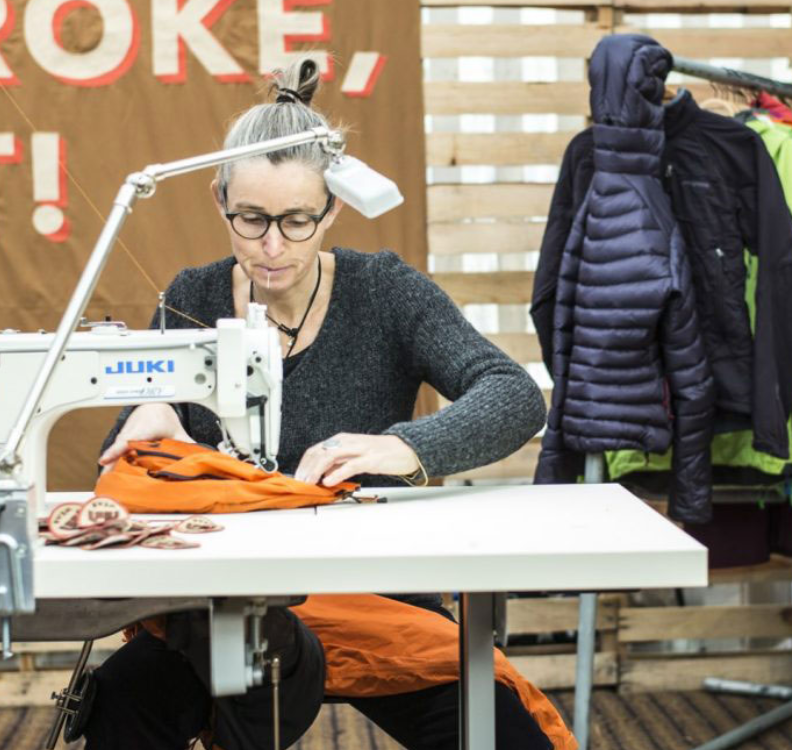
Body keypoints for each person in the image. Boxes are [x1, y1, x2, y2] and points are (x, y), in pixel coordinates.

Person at [87, 57, 552, 750]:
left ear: (332, 207)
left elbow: (514, 394)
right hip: (225, 601)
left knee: (509, 734)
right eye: (250, 219)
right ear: (220, 203)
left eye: (298, 220)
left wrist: (405, 447)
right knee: (122, 706)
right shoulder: (194, 297)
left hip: (373, 591)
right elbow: (143, 430)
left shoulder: (385, 294)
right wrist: (147, 416)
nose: (272, 246)